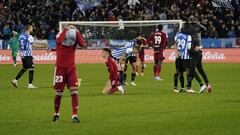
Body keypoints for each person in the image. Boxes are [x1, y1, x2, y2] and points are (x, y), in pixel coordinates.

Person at [52, 25, 85, 123]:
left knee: (74, 91)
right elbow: (59, 40)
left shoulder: (73, 41)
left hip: (71, 68)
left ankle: (74, 116)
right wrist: (66, 29)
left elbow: (82, 44)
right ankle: (56, 114)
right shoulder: (59, 40)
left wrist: (77, 31)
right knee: (59, 92)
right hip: (60, 69)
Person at [187, 19, 212, 93]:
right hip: (199, 54)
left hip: (195, 54)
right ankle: (208, 85)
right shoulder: (196, 35)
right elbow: (198, 46)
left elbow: (195, 48)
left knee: (191, 70)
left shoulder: (191, 37)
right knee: (200, 70)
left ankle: (201, 85)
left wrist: (191, 50)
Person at [173, 29, 195, 93]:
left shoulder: (177, 35)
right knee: (188, 72)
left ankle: (177, 88)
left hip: (178, 56)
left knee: (178, 72)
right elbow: (189, 47)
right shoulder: (188, 36)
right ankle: (189, 88)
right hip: (185, 57)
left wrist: (177, 53)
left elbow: (175, 44)